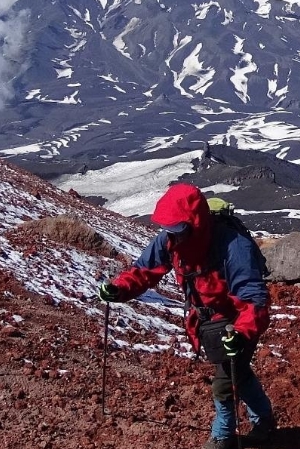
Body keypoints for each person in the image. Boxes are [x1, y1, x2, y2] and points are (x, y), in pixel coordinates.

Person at [98, 184, 275, 449]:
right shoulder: (170, 240)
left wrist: (242, 333)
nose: (172, 236)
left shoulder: (233, 246)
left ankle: (223, 436)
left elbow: (253, 299)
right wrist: (120, 288)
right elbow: (145, 270)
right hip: (206, 322)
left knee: (224, 381)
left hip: (236, 321)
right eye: (168, 229)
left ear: (195, 223)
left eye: (178, 229)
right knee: (238, 373)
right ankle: (264, 422)